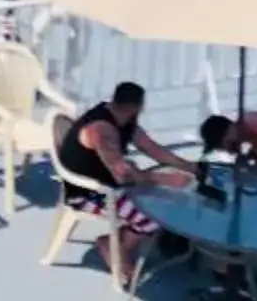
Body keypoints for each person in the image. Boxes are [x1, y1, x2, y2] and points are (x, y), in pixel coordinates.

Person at [57, 80, 196, 266]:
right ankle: (115, 246)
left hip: (109, 181)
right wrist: (167, 179)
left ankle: (120, 239)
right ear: (138, 106)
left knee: (165, 199)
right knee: (154, 219)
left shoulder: (123, 120)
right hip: (88, 193)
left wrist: (192, 167)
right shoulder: (101, 130)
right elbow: (124, 176)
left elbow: (154, 150)